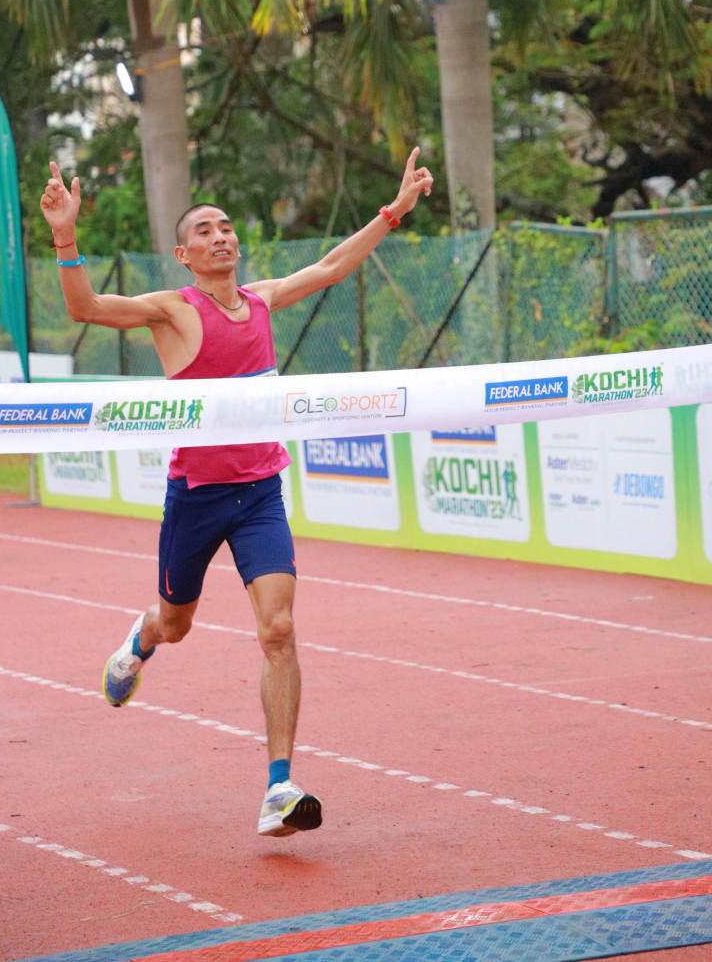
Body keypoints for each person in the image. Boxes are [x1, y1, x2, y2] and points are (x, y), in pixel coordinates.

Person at [40, 151, 433, 838]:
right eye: (207, 230)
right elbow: (84, 307)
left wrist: (393, 211)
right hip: (195, 497)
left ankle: (279, 787)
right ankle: (141, 638)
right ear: (183, 252)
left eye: (228, 227)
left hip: (259, 494)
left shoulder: (261, 298)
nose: (223, 236)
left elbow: (334, 266)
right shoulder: (171, 309)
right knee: (177, 622)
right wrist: (66, 237)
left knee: (278, 629)